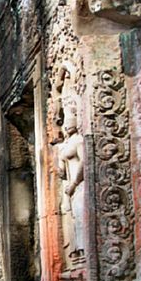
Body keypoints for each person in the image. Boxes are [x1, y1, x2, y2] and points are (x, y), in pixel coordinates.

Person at [57, 103, 85, 261]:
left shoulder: (79, 141)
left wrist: (74, 183)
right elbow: (62, 171)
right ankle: (77, 253)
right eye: (65, 123)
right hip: (69, 187)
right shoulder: (66, 145)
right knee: (72, 219)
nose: (67, 125)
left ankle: (84, 251)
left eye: (69, 121)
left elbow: (84, 162)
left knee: (81, 216)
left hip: (79, 184)